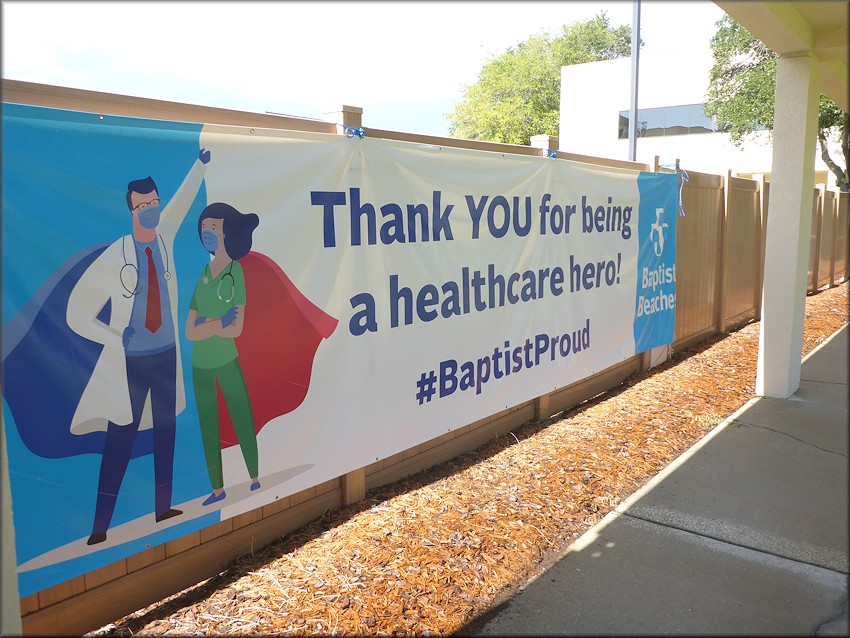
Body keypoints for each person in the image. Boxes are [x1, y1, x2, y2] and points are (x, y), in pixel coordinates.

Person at [66, 148, 211, 545]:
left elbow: (182, 203)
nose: (150, 210)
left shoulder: (163, 242)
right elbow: (77, 312)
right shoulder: (118, 255)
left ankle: (163, 507)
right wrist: (115, 337)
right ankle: (99, 528)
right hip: (130, 362)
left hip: (165, 356)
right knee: (121, 440)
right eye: (142, 205)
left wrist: (200, 166)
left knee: (166, 432)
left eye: (154, 204)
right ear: (131, 210)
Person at [185, 202, 261, 506]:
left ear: (228, 233)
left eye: (214, 228)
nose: (208, 233)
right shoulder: (203, 274)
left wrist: (209, 323)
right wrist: (218, 322)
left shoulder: (235, 272)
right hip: (199, 363)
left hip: (226, 359)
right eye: (205, 228)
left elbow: (236, 329)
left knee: (241, 414)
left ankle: (254, 476)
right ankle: (217, 489)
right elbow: (190, 330)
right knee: (208, 426)